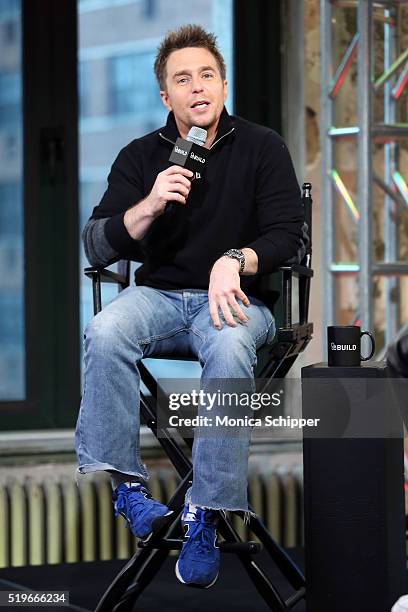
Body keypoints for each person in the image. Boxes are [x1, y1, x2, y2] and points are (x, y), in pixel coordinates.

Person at [75, 24, 304, 588]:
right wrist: (149, 203)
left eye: (207, 75)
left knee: (229, 343)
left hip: (236, 300)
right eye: (183, 79)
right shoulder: (140, 156)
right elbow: (98, 243)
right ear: (166, 96)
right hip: (157, 296)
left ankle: (204, 513)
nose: (197, 87)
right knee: (105, 330)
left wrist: (236, 258)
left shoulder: (262, 146)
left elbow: (288, 236)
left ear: (223, 84)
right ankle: (128, 490)